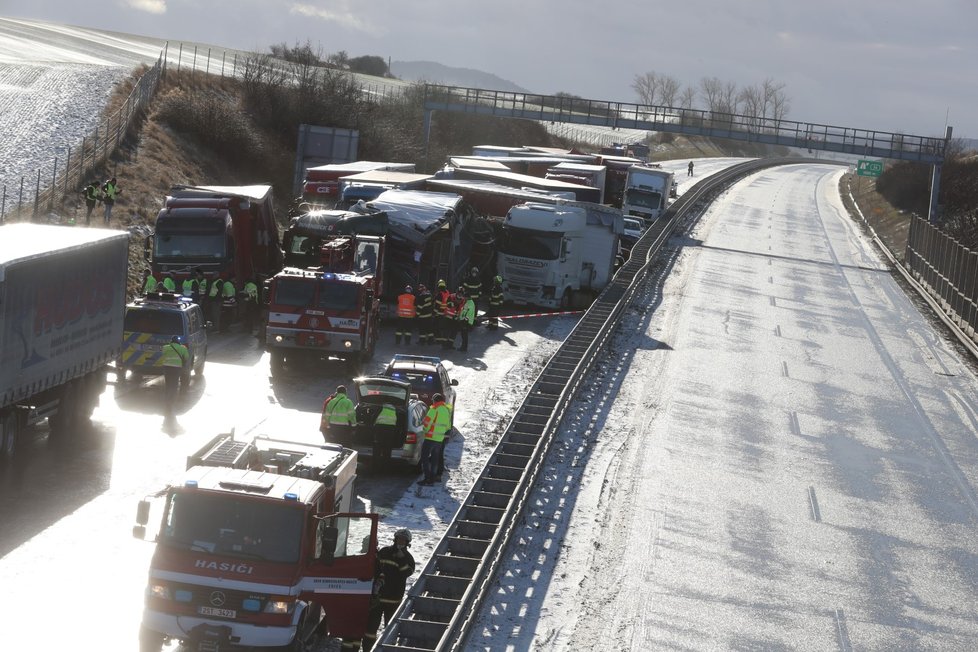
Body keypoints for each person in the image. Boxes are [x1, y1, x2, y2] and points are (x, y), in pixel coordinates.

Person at [362, 529, 416, 652]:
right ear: (395, 539)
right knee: (371, 628)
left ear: (407, 542)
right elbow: (374, 568)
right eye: (399, 539)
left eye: (403, 540)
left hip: (393, 600)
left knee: (390, 629)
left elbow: (406, 573)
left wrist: (401, 559)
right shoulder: (384, 552)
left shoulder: (408, 558)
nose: (400, 541)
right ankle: (367, 649)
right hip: (378, 598)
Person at [418, 393, 451, 485]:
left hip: (430, 438)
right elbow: (448, 426)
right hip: (439, 439)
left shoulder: (434, 409)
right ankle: (432, 479)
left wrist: (424, 430)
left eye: (433, 400)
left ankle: (427, 478)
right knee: (435, 460)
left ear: (435, 400)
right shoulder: (446, 410)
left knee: (424, 458)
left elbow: (427, 423)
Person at [161, 335, 189, 416]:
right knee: (174, 384)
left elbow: (163, 354)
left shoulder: (165, 347)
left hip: (167, 367)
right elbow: (186, 358)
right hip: (176, 368)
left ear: (171, 341)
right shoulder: (182, 348)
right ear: (178, 341)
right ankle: (171, 400)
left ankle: (167, 400)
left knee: (168, 384)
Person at [371, 402, 398, 471]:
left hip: (380, 428)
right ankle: (386, 467)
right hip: (390, 429)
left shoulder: (381, 407)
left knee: (378, 447)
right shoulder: (394, 409)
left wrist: (372, 425)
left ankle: (376, 467)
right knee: (387, 448)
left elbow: (374, 417)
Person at [456, 287, 475, 352]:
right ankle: (463, 347)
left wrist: (464, 320)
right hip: (465, 321)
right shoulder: (469, 302)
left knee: (464, 336)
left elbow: (468, 313)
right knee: (463, 335)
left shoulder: (469, 303)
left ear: (467, 297)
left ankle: (464, 348)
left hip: (466, 322)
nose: (464, 298)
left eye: (465, 297)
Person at [434, 279, 450, 349]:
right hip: (445, 313)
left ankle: (438, 340)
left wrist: (434, 313)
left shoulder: (440, 294)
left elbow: (437, 305)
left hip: (439, 313)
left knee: (436, 327)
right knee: (443, 328)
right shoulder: (447, 293)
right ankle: (442, 340)